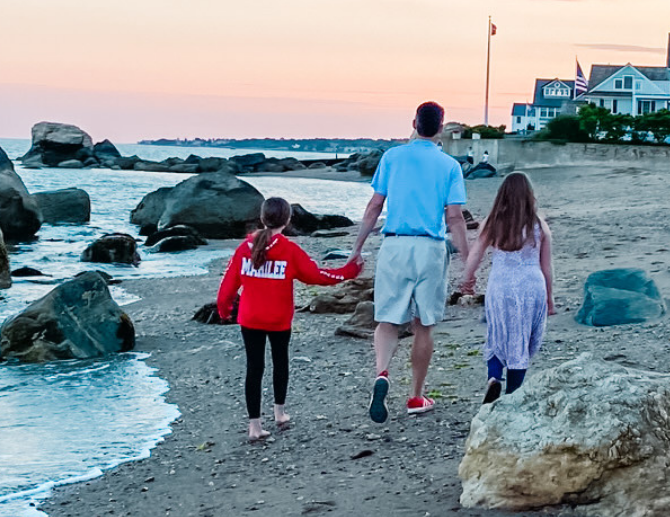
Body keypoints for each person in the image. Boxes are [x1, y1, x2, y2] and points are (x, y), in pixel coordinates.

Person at [347, 101, 469, 423]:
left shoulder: (392, 158)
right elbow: (454, 217)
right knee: (423, 325)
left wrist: (357, 248)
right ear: (441, 128)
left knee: (386, 320)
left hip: (395, 245)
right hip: (429, 247)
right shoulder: (449, 166)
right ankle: (416, 395)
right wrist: (467, 258)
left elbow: (375, 206)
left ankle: (383, 373)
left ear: (414, 122)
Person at [217, 197, 362, 441]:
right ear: (287, 220)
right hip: (278, 318)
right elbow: (317, 276)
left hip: (250, 318)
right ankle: (280, 413)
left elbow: (227, 287)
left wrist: (224, 311)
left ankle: (254, 427)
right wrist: (349, 272)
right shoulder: (290, 250)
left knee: (254, 369)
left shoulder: (244, 248)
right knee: (280, 362)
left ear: (262, 218)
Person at [458, 172, 554, 403]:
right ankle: (512, 393)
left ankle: (494, 377)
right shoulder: (539, 225)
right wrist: (550, 298)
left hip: (501, 285)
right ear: (529, 195)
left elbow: (475, 255)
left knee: (497, 333)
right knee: (522, 340)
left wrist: (467, 281)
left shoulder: (492, 222)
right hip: (532, 284)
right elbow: (547, 266)